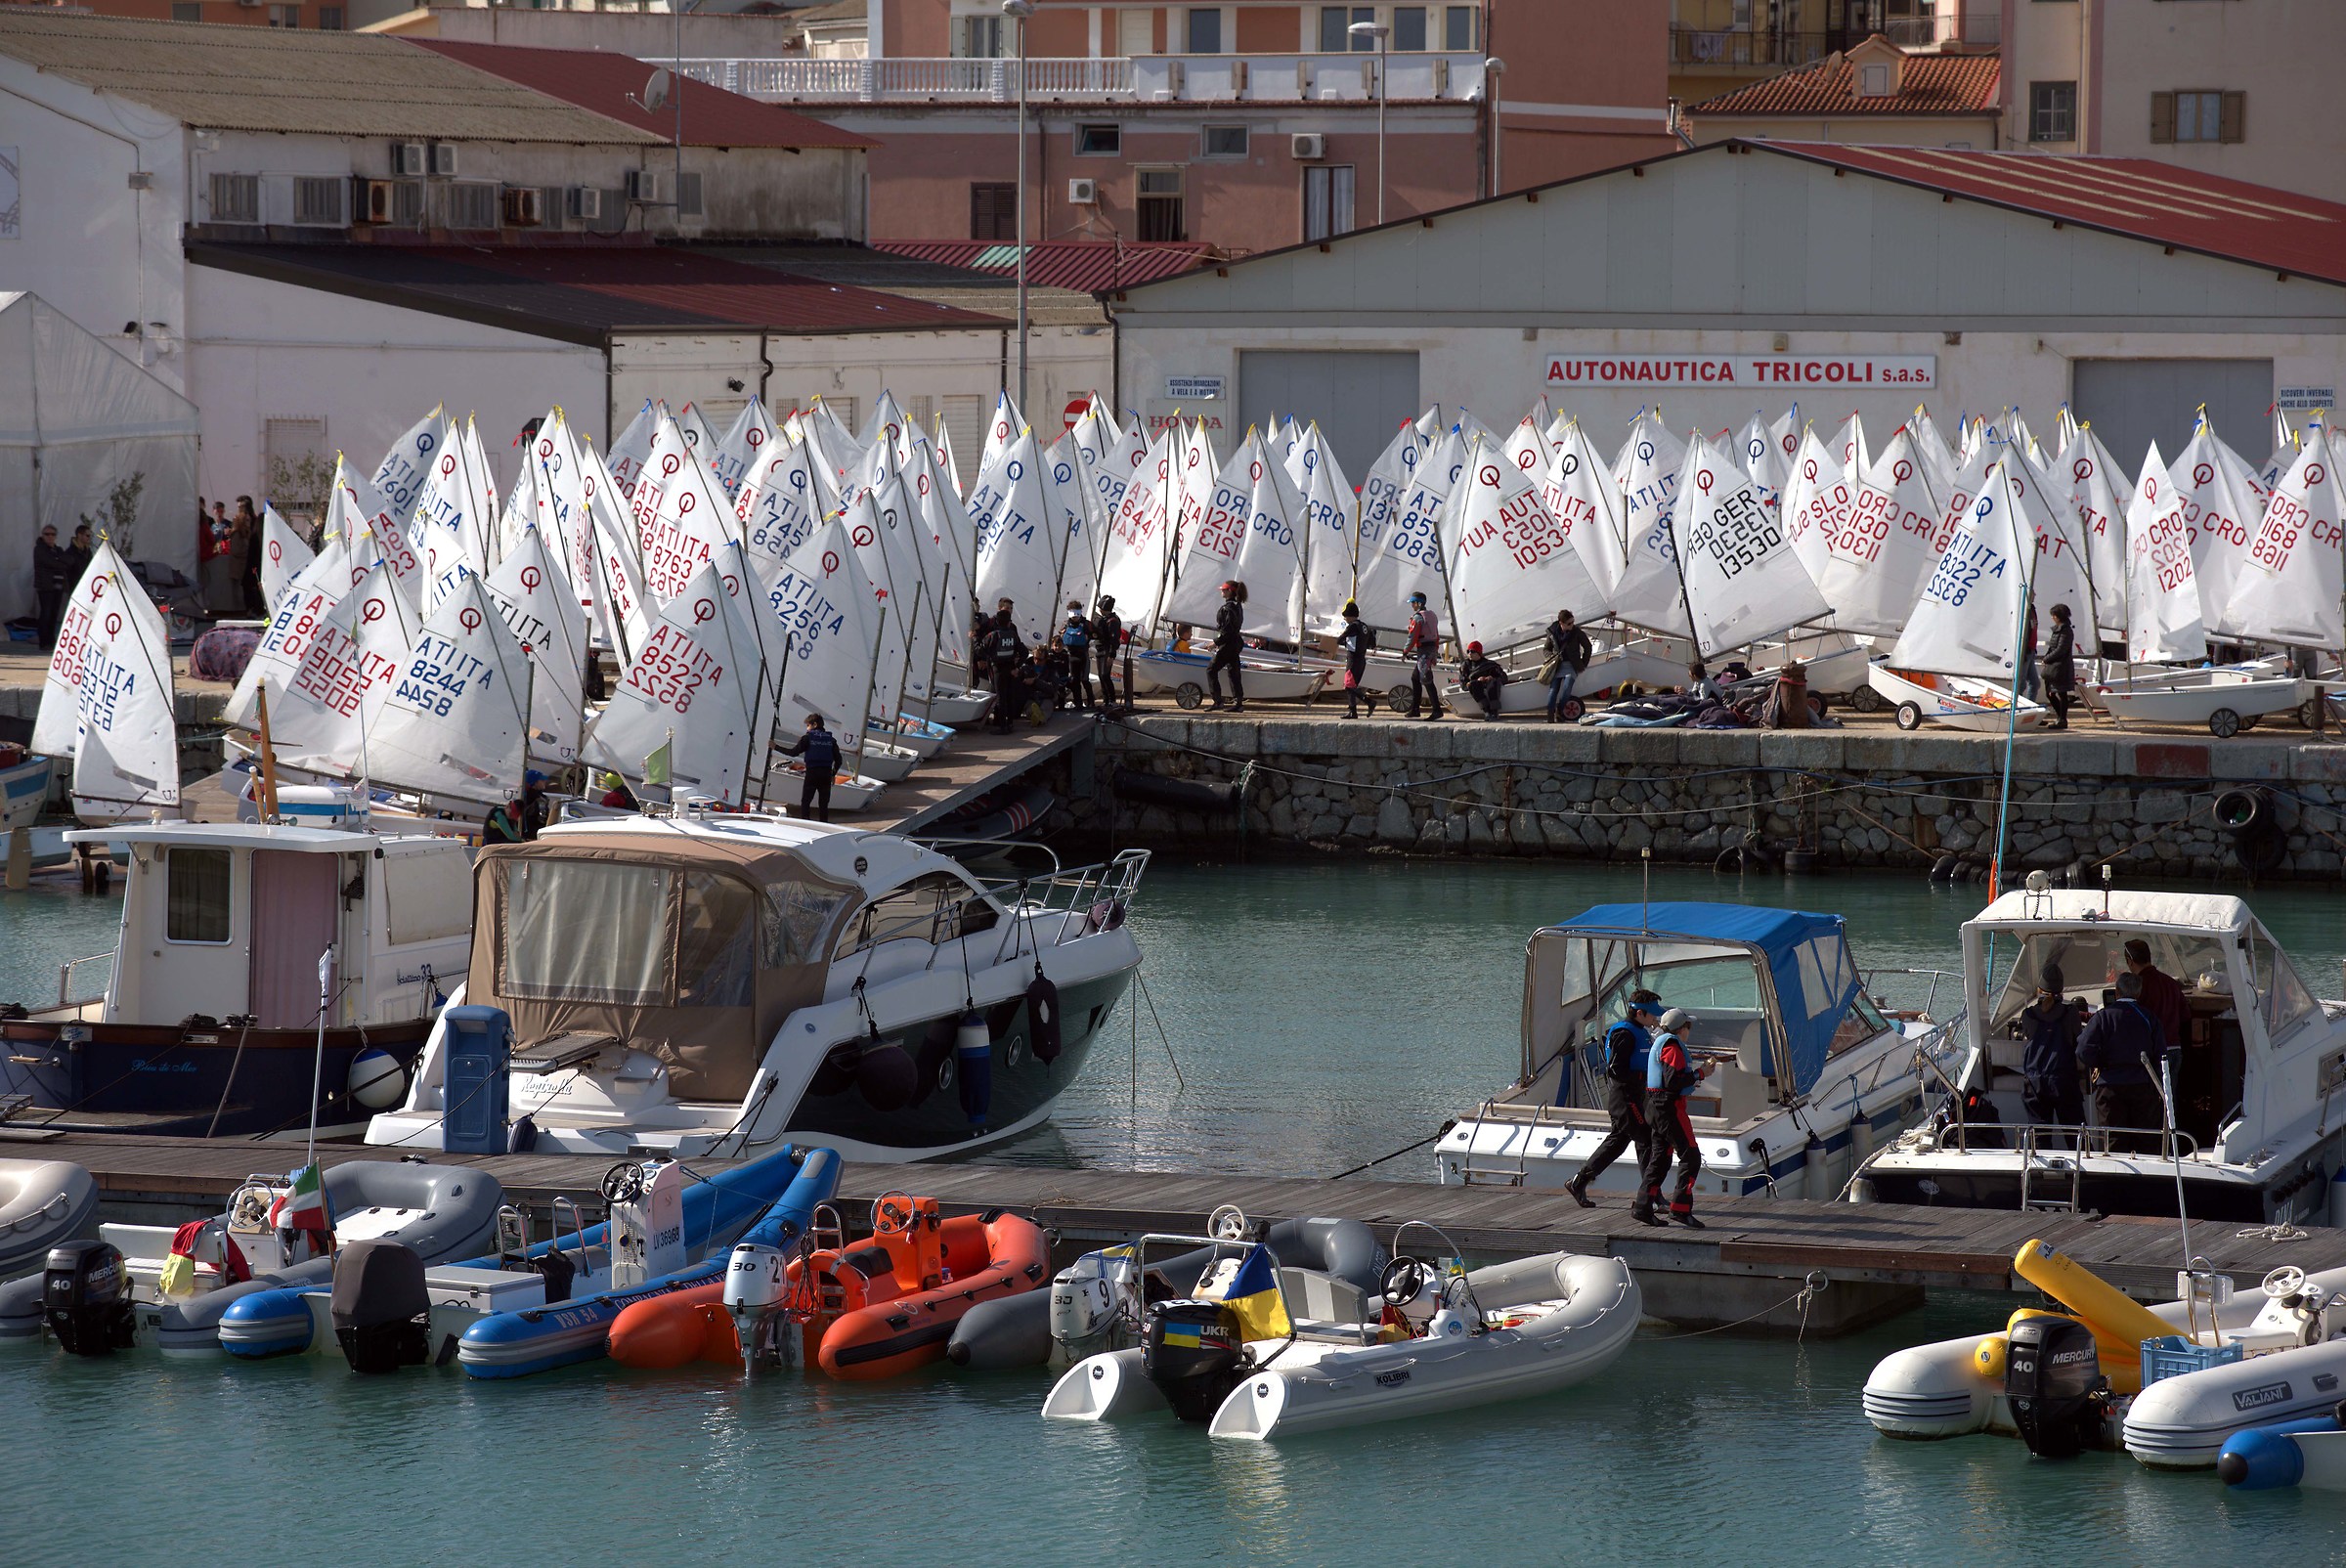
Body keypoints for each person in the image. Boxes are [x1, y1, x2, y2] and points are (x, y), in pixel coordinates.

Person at [1565, 990, 1663, 1208]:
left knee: (1618, 1142)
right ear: (1639, 1013)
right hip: (1626, 1098)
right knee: (1646, 1140)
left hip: (1637, 1096)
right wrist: (1642, 1077)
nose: (1655, 1019)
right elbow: (1615, 1070)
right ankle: (1651, 1196)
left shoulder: (1640, 1030)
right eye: (1652, 1015)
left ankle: (1578, 1182)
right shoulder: (1624, 1033)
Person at [1636, 1007, 1715, 1228]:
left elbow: (1670, 1078)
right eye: (1688, 1026)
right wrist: (1701, 1073)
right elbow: (1673, 1081)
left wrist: (1696, 1074)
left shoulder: (1662, 1042)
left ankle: (1643, 1207)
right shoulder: (1671, 1046)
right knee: (1691, 1156)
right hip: (1667, 1107)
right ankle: (1680, 1209)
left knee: (1660, 1159)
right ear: (1682, 1028)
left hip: (1655, 1105)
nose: (1689, 1030)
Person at [2076, 972, 2169, 1152]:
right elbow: (2161, 1055)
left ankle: (2116, 1176)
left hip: (2110, 1087)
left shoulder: (2103, 1017)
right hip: (2142, 1087)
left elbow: (2082, 1049)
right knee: (2145, 1141)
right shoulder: (2149, 1018)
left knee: (2113, 1140)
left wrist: (2099, 1064)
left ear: (2117, 991)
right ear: (2139, 993)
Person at [2018, 962, 2085, 1144]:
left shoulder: (2028, 1015)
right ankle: (2086, 1169)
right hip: (2063, 1081)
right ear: (2061, 989)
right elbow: (2078, 1038)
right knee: (2076, 1137)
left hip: (2034, 1083)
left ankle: (2039, 1171)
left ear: (2040, 989)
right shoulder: (2070, 1013)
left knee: (2039, 1139)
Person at [2123, 937, 2186, 1052]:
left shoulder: (2137, 987)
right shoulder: (2171, 983)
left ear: (2129, 961)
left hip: (2153, 1050)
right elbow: (2185, 1015)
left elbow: (2127, 1017)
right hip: (2175, 1049)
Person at [781, 712, 841, 822]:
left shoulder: (807, 738)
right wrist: (833, 773)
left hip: (812, 774)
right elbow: (839, 761)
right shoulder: (831, 740)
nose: (807, 729)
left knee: (806, 802)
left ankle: (806, 823)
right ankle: (824, 826)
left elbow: (793, 752)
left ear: (814, 725)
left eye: (808, 726)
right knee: (823, 804)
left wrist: (775, 747)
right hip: (826, 775)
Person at [1402, 590, 1444, 719]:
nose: (1412, 605)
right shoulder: (1432, 615)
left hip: (1424, 651)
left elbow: (1413, 636)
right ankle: (1415, 709)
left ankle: (1437, 710)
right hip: (1430, 649)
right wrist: (1435, 652)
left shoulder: (1418, 618)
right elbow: (1436, 635)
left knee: (1427, 680)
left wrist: (1405, 651)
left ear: (1419, 603)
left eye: (1413, 602)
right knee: (1415, 678)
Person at [1543, 609, 1591, 722]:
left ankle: (1560, 711)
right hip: (1557, 665)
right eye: (1569, 623)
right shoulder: (1552, 632)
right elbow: (1546, 649)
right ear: (1561, 623)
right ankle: (1550, 716)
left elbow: (1588, 647)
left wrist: (1583, 663)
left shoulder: (1576, 632)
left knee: (1567, 688)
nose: (1572, 625)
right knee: (1553, 690)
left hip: (1572, 664)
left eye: (1573, 622)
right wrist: (1552, 656)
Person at [1206, 580, 1246, 712]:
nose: (1221, 592)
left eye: (1224, 590)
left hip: (1228, 644)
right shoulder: (1238, 606)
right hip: (1236, 644)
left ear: (1230, 591)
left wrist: (1215, 643)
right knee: (1234, 672)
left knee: (1211, 670)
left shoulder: (1228, 608)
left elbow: (1227, 631)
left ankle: (1218, 701)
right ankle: (1238, 703)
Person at [984, 602, 1024, 733]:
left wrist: (973, 638)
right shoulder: (1013, 634)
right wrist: (1017, 667)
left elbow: (980, 650)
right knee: (1009, 696)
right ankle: (1010, 723)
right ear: (1008, 623)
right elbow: (1023, 652)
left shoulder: (993, 635)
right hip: (1011, 670)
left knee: (1001, 698)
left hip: (998, 670)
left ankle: (1002, 726)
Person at [2041, 603, 2076, 730]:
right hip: (2053, 666)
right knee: (2050, 693)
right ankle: (2060, 717)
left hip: (2061, 667)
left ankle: (2062, 719)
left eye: (2053, 615)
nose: (2052, 618)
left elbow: (2061, 649)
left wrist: (2047, 658)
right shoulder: (2058, 630)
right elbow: (2053, 647)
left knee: (2061, 693)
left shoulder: (2066, 631)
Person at [1336, 600, 1374, 719]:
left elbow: (1339, 639)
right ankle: (1353, 712)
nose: (1345, 619)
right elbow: (1372, 643)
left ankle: (1369, 702)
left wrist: (1344, 642)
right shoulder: (1364, 626)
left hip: (1353, 660)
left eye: (1345, 616)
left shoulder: (1353, 626)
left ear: (1350, 616)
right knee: (1351, 687)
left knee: (1348, 686)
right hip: (1361, 660)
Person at [32, 524, 67, 649]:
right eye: (47, 534)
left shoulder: (58, 550)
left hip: (58, 586)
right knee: (45, 613)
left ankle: (51, 641)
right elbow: (50, 562)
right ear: (43, 536)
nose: (50, 537)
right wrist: (59, 562)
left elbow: (69, 561)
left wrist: (59, 561)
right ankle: (44, 641)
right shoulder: (39, 549)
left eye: (52, 534)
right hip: (45, 586)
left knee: (54, 614)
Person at [1458, 640, 1509, 720]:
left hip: (1490, 686)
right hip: (1476, 688)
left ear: (1479, 652)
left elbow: (1504, 678)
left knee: (1493, 682)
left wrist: (1490, 678)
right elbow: (1463, 684)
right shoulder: (1465, 666)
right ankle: (1487, 711)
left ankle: (1494, 711)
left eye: (1472, 651)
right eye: (1468, 651)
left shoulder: (1489, 665)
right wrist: (1476, 681)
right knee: (1473, 684)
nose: (1470, 653)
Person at [1089, 595, 1123, 708]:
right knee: (1101, 675)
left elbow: (1114, 639)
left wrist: (1112, 655)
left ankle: (1112, 700)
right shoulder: (1103, 619)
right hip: (1099, 649)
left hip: (1107, 650)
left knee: (1105, 675)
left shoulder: (1113, 621)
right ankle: (1106, 700)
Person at [1060, 602, 1093, 710]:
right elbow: (1061, 637)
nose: (1075, 617)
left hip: (1083, 655)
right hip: (1071, 655)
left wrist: (1088, 636)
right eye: (1073, 615)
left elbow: (1094, 634)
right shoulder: (1066, 624)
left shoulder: (1086, 623)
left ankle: (1091, 701)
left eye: (1077, 614)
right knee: (1074, 680)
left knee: (1085, 680)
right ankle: (1078, 702)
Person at [233, 496, 262, 614]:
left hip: (251, 557)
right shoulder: (244, 521)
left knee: (250, 585)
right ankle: (253, 609)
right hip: (250, 557)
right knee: (249, 585)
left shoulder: (252, 520)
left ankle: (253, 609)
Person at [2017, 604, 2042, 702]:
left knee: (2035, 683)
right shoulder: (2023, 608)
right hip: (2025, 652)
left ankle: (2029, 706)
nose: (2034, 595)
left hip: (2031, 651)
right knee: (2021, 684)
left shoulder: (2032, 609)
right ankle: (2017, 706)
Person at [518, 770, 550, 840]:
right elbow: (542, 819)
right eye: (542, 780)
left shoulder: (523, 796)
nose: (545, 781)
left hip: (528, 834)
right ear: (534, 783)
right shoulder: (538, 800)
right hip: (534, 835)